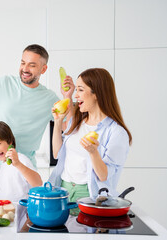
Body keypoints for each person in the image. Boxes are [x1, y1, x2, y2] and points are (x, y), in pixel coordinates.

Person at [0, 44, 74, 196]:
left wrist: (67, 97)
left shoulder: (50, 99)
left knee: (23, 216)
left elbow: (69, 128)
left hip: (23, 169)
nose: (25, 69)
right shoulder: (3, 83)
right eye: (23, 63)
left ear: (43, 69)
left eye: (32, 65)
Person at [48, 68, 132, 214]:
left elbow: (104, 175)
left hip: (88, 194)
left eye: (80, 90)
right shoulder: (77, 121)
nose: (76, 95)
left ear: (97, 94)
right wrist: (57, 122)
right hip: (62, 188)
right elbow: (57, 154)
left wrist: (93, 152)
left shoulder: (116, 132)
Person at [0, 121, 42, 202]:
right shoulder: (3, 166)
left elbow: (38, 183)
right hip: (8, 211)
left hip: (21, 212)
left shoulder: (21, 160)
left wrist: (18, 164)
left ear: (10, 142)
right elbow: (5, 194)